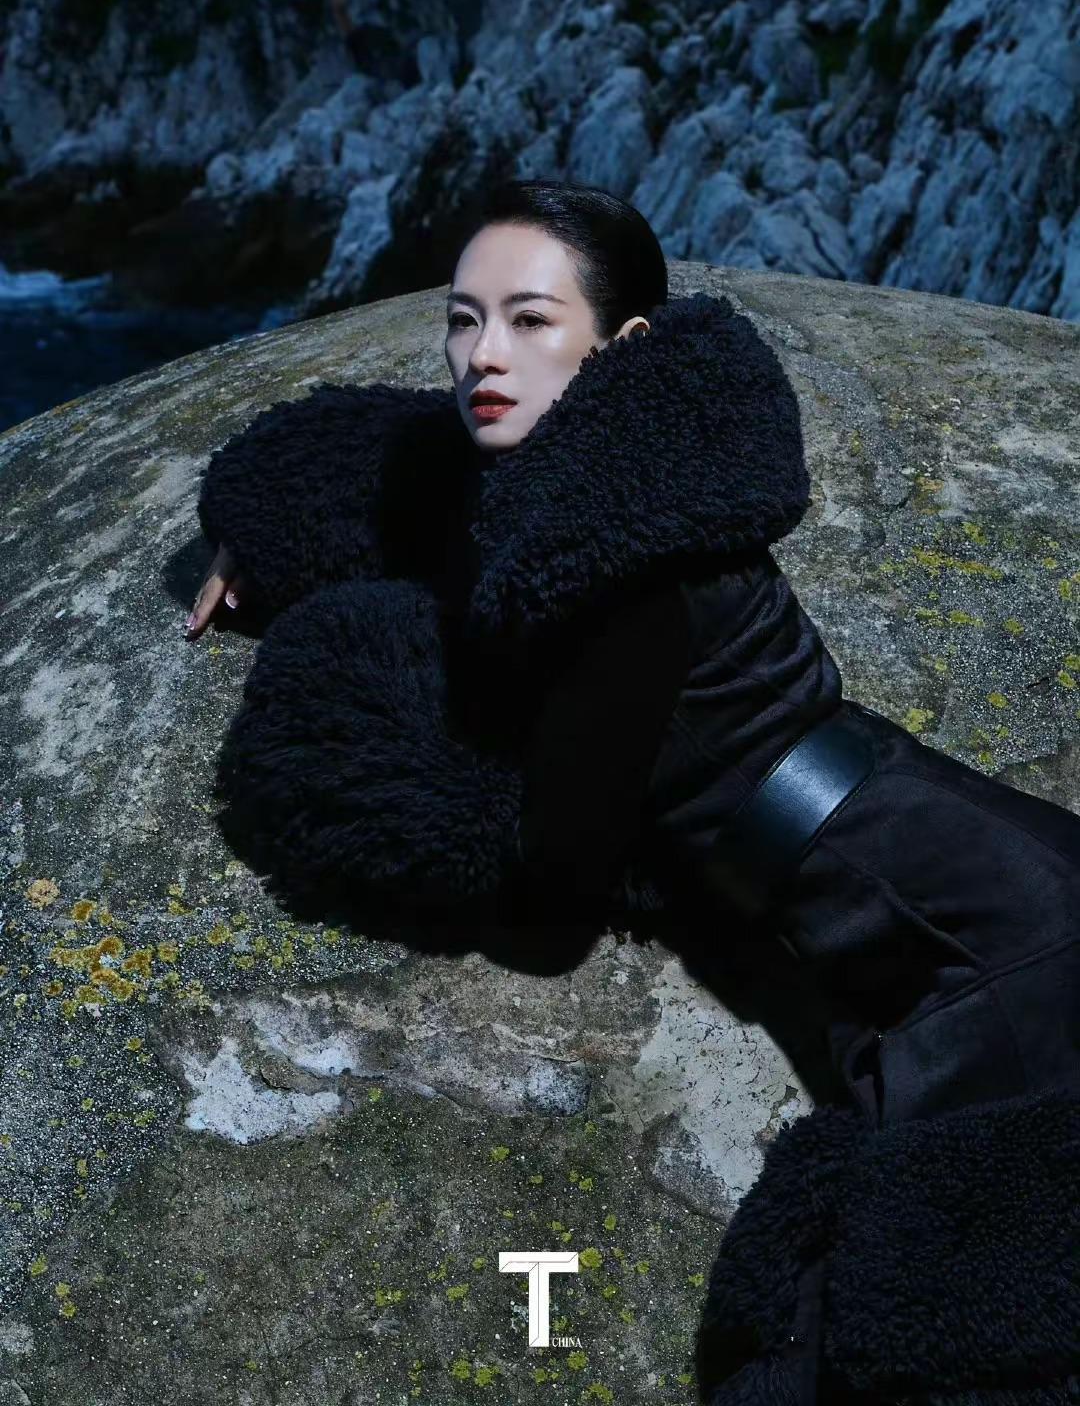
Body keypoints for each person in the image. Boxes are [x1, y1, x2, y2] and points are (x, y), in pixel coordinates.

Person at [186, 178, 1080, 1403]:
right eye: (462, 318)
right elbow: (404, 462)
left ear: (622, 343)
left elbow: (552, 909)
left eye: (530, 320)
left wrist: (353, 736)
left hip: (997, 947)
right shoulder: (604, 483)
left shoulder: (628, 573)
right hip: (940, 889)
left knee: (943, 1340)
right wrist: (263, 526)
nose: (483, 355)